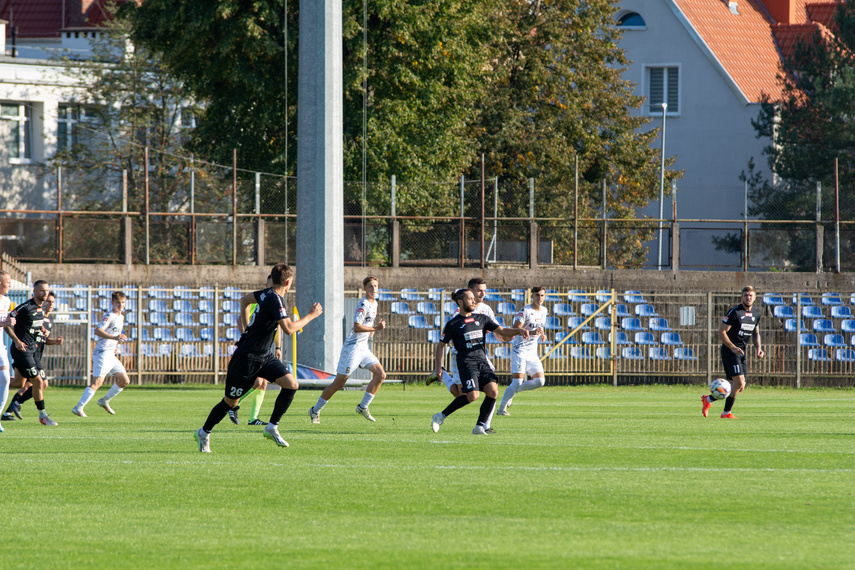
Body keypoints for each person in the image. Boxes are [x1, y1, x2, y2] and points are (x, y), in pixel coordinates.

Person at [194, 264, 323, 452]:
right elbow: (288, 329)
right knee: (230, 402)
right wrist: (311, 316)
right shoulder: (275, 299)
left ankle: (272, 427)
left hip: (264, 357)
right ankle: (203, 433)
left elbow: (244, 300)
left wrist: (246, 327)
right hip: (245, 359)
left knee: (291, 385)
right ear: (288, 282)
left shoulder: (265, 294)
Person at [430, 288, 529, 435]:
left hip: (482, 362)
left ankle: (479, 426)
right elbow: (440, 345)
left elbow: (502, 331)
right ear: (460, 302)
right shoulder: (453, 324)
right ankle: (440, 416)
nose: (474, 301)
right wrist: (438, 367)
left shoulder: (482, 319)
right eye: (470, 298)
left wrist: (518, 331)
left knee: (493, 390)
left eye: (473, 298)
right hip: (466, 364)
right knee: (472, 396)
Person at [309, 275, 387, 424]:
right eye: (370, 286)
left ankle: (363, 407)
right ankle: (315, 410)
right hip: (352, 349)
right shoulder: (363, 304)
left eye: (376, 286)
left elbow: (365, 326)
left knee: (381, 374)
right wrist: (375, 328)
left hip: (363, 348)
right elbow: (357, 327)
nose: (374, 289)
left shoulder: (375, 304)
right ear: (364, 288)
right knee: (339, 383)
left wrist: (371, 330)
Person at [702, 285, 765, 419]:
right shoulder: (735, 312)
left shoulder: (756, 313)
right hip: (730, 350)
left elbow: (756, 333)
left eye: (751, 295)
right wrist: (732, 347)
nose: (748, 297)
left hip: (741, 352)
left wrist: (758, 348)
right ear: (741, 297)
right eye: (746, 295)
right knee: (739, 382)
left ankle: (709, 400)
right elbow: (721, 332)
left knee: (740, 386)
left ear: (755, 297)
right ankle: (726, 413)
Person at [228, 276, 282, 427]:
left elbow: (279, 326)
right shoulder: (260, 301)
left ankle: (253, 418)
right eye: (270, 285)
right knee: (258, 381)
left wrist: (278, 347)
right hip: (252, 349)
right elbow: (240, 319)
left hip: (264, 349)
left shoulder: (276, 302)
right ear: (266, 285)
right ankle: (232, 405)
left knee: (263, 383)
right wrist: (246, 336)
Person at [2, 291, 62, 421]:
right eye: (48, 301)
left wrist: (53, 340)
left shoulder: (45, 318)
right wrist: (17, 340)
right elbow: (9, 321)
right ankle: (42, 416)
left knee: (19, 383)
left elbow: (40, 337)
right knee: (39, 382)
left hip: (34, 354)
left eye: (52, 301)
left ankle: (12, 408)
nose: (50, 304)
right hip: (25, 353)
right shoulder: (27, 309)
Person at [72, 291, 129, 417]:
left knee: (124, 380)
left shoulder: (121, 317)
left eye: (123, 302)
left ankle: (104, 400)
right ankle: (79, 407)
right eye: (118, 303)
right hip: (102, 353)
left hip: (110, 354)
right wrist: (114, 338)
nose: (120, 305)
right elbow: (98, 331)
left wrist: (114, 346)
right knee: (98, 381)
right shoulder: (109, 316)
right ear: (112, 303)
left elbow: (113, 334)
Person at [497, 286, 547, 416]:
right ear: (532, 296)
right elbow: (515, 329)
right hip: (520, 350)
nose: (539, 298)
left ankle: (513, 392)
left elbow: (540, 326)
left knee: (540, 381)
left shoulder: (544, 311)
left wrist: (542, 334)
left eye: (542, 295)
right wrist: (531, 332)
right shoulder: (525, 311)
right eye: (537, 295)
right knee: (517, 381)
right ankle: (501, 409)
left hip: (532, 352)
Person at [0, 270, 16, 433]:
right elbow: (3, 322)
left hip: (0, 348)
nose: (10, 285)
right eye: (8, 282)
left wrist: (17, 340)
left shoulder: (6, 301)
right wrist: (3, 322)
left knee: (5, 378)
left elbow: (6, 324)